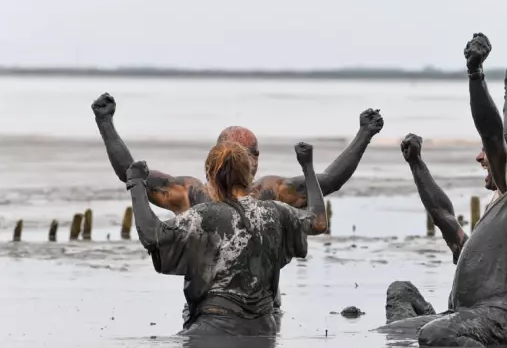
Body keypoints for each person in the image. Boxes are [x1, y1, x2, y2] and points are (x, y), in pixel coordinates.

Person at [91, 93, 382, 317]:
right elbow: (130, 173)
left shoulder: (271, 192)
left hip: (263, 308)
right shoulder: (190, 192)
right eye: (240, 154)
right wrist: (106, 124)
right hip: (207, 310)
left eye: (253, 153)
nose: (248, 161)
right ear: (217, 157)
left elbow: (328, 181)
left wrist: (363, 135)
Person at [383, 36, 507, 347]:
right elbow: (494, 132)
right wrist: (476, 73)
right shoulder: (505, 194)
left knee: (434, 334)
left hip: (501, 317)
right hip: (465, 313)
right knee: (396, 322)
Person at [125, 140, 327, 335]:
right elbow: (318, 222)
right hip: (264, 326)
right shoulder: (275, 212)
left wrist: (136, 183)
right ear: (248, 175)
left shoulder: (202, 216)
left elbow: (152, 236)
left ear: (211, 177)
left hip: (213, 326)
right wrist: (307, 167)